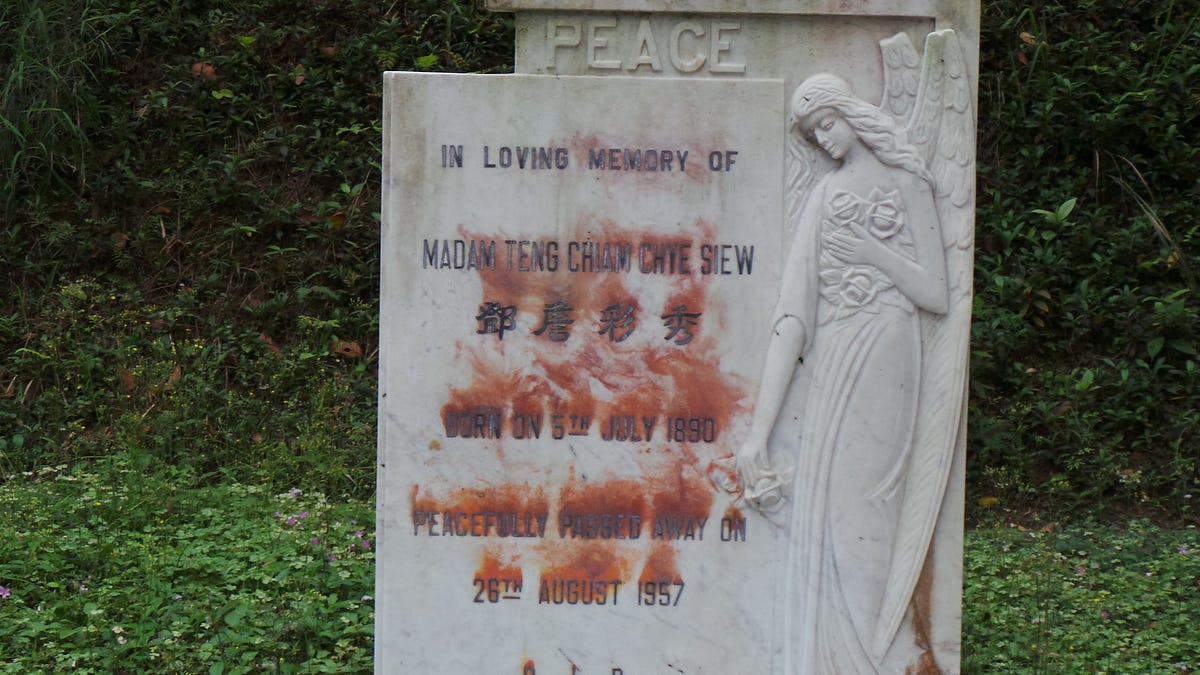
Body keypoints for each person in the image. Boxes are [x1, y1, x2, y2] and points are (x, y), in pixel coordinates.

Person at [735, 73, 949, 673]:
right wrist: (759, 433)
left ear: (853, 113)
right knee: (824, 509)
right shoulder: (825, 196)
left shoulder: (907, 182)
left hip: (888, 353)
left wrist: (872, 253)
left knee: (865, 504)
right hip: (833, 358)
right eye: (812, 133)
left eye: (827, 123)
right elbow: (793, 316)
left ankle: (872, 659)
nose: (823, 139)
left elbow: (936, 293)